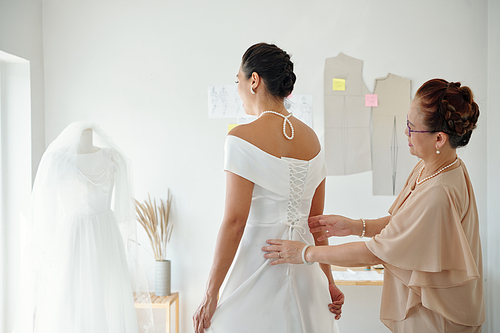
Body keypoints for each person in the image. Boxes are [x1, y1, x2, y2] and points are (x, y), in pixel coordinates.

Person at [263, 78, 485, 332]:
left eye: (413, 128)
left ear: (439, 139)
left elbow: (377, 252)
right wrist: (355, 226)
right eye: (406, 124)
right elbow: (403, 226)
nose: (406, 133)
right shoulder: (434, 166)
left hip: (437, 313)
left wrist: (305, 253)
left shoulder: (439, 192)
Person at [193, 43, 343, 333]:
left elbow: (235, 222)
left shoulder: (240, 138)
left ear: (254, 80)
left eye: (238, 80)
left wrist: (211, 294)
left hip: (257, 267)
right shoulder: (313, 139)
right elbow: (316, 225)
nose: (238, 90)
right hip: (308, 275)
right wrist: (330, 282)